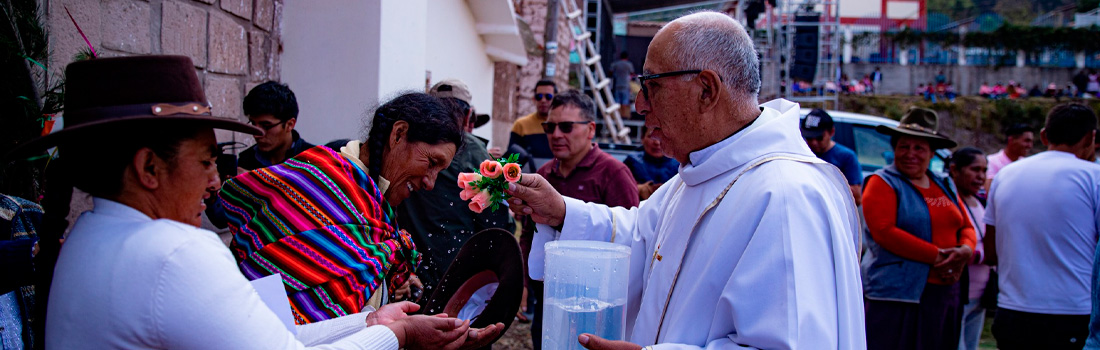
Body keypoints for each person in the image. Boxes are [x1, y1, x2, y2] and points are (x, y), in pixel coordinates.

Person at [24, 55, 498, 349]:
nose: (216, 184)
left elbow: (275, 339)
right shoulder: (176, 254)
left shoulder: (84, 235)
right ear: (149, 169)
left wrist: (370, 320)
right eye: (207, 162)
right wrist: (396, 336)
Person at [506, 11, 865, 349]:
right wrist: (561, 212)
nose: (640, 105)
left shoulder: (786, 196)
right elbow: (638, 236)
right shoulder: (701, 171)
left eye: (651, 86)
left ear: (706, 89)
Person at [220, 92, 472, 325]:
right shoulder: (319, 186)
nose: (430, 182)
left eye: (440, 171)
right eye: (431, 162)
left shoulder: (375, 203)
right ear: (398, 134)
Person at [522, 89, 640, 349]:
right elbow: (528, 233)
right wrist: (524, 283)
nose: (556, 135)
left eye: (565, 126)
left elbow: (634, 240)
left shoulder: (614, 173)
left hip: (596, 304)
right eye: (549, 127)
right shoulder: (545, 173)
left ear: (590, 129)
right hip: (550, 295)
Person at [984, 103, 1100, 350]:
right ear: (1091, 137)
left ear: (1044, 135)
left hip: (1012, 311)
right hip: (1073, 312)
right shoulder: (1094, 176)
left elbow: (991, 251)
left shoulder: (1004, 175)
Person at [861, 107, 976, 350]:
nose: (910, 154)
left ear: (932, 153)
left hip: (944, 293)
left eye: (919, 148)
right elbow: (885, 232)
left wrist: (966, 249)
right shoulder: (881, 183)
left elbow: (966, 224)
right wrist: (939, 256)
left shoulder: (943, 183)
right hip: (899, 297)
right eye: (904, 146)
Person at [396, 79, 514, 299]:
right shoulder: (471, 149)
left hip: (406, 271)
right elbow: (496, 222)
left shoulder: (406, 143)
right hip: (453, 276)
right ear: (468, 116)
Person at [947, 147, 990, 350]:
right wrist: (985, 255)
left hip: (980, 294)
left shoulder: (980, 202)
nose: (981, 176)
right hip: (959, 292)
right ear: (955, 170)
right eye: (975, 170)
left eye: (984, 170)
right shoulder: (949, 202)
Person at [238, 81, 315, 171]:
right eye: (253, 125)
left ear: (290, 124)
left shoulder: (313, 161)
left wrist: (253, 181)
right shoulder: (246, 160)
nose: (256, 135)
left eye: (266, 126)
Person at [801, 108, 863, 205]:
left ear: (831, 132)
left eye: (819, 138)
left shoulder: (846, 157)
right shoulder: (802, 155)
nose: (814, 142)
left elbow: (857, 198)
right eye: (809, 138)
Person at [508, 80, 557, 168]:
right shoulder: (521, 124)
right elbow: (512, 159)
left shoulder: (563, 126)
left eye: (548, 96)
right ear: (534, 99)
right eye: (539, 96)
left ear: (556, 99)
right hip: (529, 178)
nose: (543, 100)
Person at [623, 125, 679, 200]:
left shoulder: (679, 165)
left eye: (662, 137)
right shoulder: (632, 162)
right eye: (652, 137)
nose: (656, 142)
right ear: (642, 139)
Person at [985, 123, 1034, 192]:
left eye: (1031, 142)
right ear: (1011, 140)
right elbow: (989, 191)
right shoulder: (992, 162)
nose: (1030, 146)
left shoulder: (1027, 165)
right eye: (1026, 141)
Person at [610, 52, 635, 119]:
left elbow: (610, 71)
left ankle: (617, 116)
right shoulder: (628, 64)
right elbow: (632, 73)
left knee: (617, 101)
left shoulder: (616, 64)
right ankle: (624, 115)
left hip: (618, 84)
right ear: (627, 57)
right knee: (625, 101)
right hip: (625, 85)